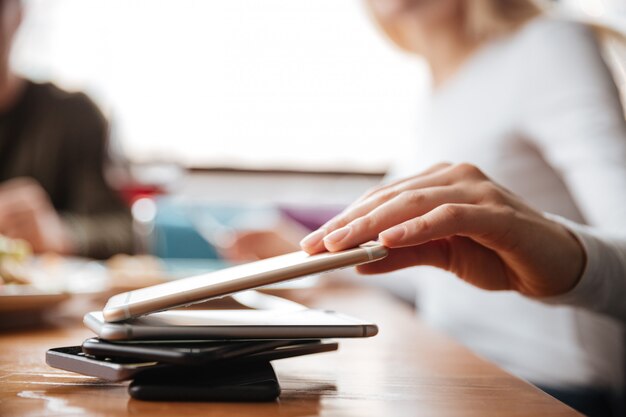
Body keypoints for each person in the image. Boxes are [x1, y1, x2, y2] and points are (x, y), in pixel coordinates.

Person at [226, 1, 626, 415]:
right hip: (453, 371)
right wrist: (307, 261)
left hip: (546, 387)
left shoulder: (548, 45)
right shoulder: (440, 91)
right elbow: (434, 275)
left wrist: (572, 259)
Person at [0, 0, 133, 259]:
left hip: (53, 299)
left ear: (18, 14)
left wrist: (61, 234)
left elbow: (127, 233)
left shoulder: (76, 116)